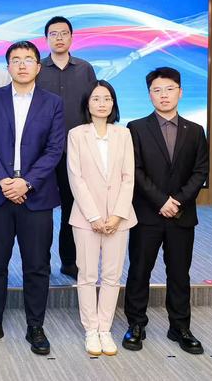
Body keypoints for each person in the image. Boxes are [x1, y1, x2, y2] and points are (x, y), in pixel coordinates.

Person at [0, 40, 64, 355]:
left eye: (28, 59)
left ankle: (35, 326)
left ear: (38, 66)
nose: (22, 64)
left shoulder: (53, 103)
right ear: (8, 66)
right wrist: (3, 180)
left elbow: (55, 148)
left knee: (37, 264)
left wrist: (27, 182)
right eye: (16, 59)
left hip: (36, 197)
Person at [123, 67, 209, 355]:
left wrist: (178, 202)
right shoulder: (136, 128)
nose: (163, 95)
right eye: (157, 90)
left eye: (169, 89)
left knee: (179, 272)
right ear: (149, 95)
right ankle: (136, 324)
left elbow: (200, 171)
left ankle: (180, 327)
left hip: (182, 216)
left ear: (180, 92)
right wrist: (161, 201)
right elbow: (135, 170)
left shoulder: (195, 131)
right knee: (139, 270)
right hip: (147, 214)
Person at [66, 80, 136, 357]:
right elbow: (76, 177)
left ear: (113, 103)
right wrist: (94, 215)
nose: (102, 103)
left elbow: (128, 177)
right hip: (86, 218)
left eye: (107, 98)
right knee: (87, 275)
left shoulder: (123, 134)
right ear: (87, 104)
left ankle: (105, 329)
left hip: (119, 218)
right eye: (96, 98)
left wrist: (117, 214)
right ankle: (90, 329)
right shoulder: (76, 134)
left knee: (111, 276)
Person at [36, 16, 97, 280]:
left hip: (77, 150)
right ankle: (40, 262)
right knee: (40, 210)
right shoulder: (38, 68)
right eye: (53, 34)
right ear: (46, 38)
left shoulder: (85, 69)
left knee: (73, 208)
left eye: (64, 33)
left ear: (72, 37)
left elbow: (95, 106)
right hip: (42, 151)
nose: (59, 38)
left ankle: (69, 261)